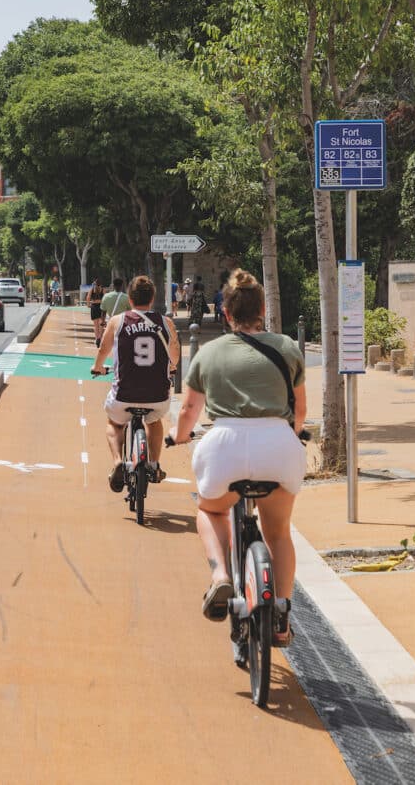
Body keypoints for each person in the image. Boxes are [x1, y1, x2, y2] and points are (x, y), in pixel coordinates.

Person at [169, 270, 307, 647]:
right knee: (278, 531)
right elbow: (300, 412)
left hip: (224, 447)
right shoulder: (287, 348)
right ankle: (281, 612)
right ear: (262, 309)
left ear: (225, 312)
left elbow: (188, 414)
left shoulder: (209, 353)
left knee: (210, 510)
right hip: (277, 445)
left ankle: (219, 577)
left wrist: (176, 437)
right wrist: (289, 435)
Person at [91, 276, 179, 493]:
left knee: (114, 424)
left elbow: (103, 349)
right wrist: (172, 367)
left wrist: (97, 367)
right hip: (157, 396)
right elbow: (175, 353)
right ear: (152, 299)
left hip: (124, 394)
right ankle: (154, 464)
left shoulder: (118, 321)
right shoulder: (166, 323)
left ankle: (118, 462)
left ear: (130, 299)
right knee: (155, 421)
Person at [87, 280, 106, 345]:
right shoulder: (102, 290)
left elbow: (88, 297)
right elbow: (105, 298)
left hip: (94, 307)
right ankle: (100, 338)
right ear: (100, 284)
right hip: (101, 307)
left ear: (94, 284)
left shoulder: (92, 290)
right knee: (101, 324)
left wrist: (88, 305)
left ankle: (96, 338)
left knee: (95, 325)